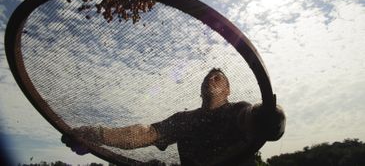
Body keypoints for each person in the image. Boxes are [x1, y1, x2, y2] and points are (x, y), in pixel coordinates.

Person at [62, 68, 285, 166]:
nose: (211, 80)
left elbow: (257, 121)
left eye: (218, 78)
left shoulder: (239, 110)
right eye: (207, 77)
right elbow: (146, 133)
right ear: (200, 90)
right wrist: (96, 134)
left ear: (228, 90)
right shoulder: (184, 120)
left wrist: (271, 117)